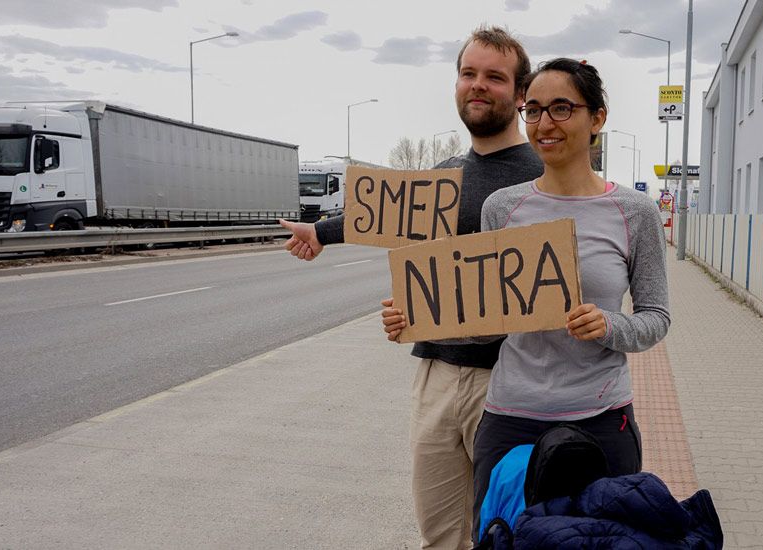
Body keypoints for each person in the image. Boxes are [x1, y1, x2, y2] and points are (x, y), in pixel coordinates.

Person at [381, 58, 671, 535]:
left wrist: (609, 326)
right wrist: (417, 317)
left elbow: (656, 317)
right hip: (510, 416)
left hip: (600, 416)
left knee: (601, 542)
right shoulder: (504, 207)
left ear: (596, 118)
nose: (544, 124)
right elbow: (493, 320)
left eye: (561, 108)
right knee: (499, 540)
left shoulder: (634, 212)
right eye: (532, 110)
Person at [280, 27, 544, 550]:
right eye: (468, 74)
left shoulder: (543, 175)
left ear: (519, 94)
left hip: (514, 380)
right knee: (440, 535)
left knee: (510, 533)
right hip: (437, 376)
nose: (478, 86)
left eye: (494, 77)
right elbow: (381, 215)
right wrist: (320, 234)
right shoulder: (442, 175)